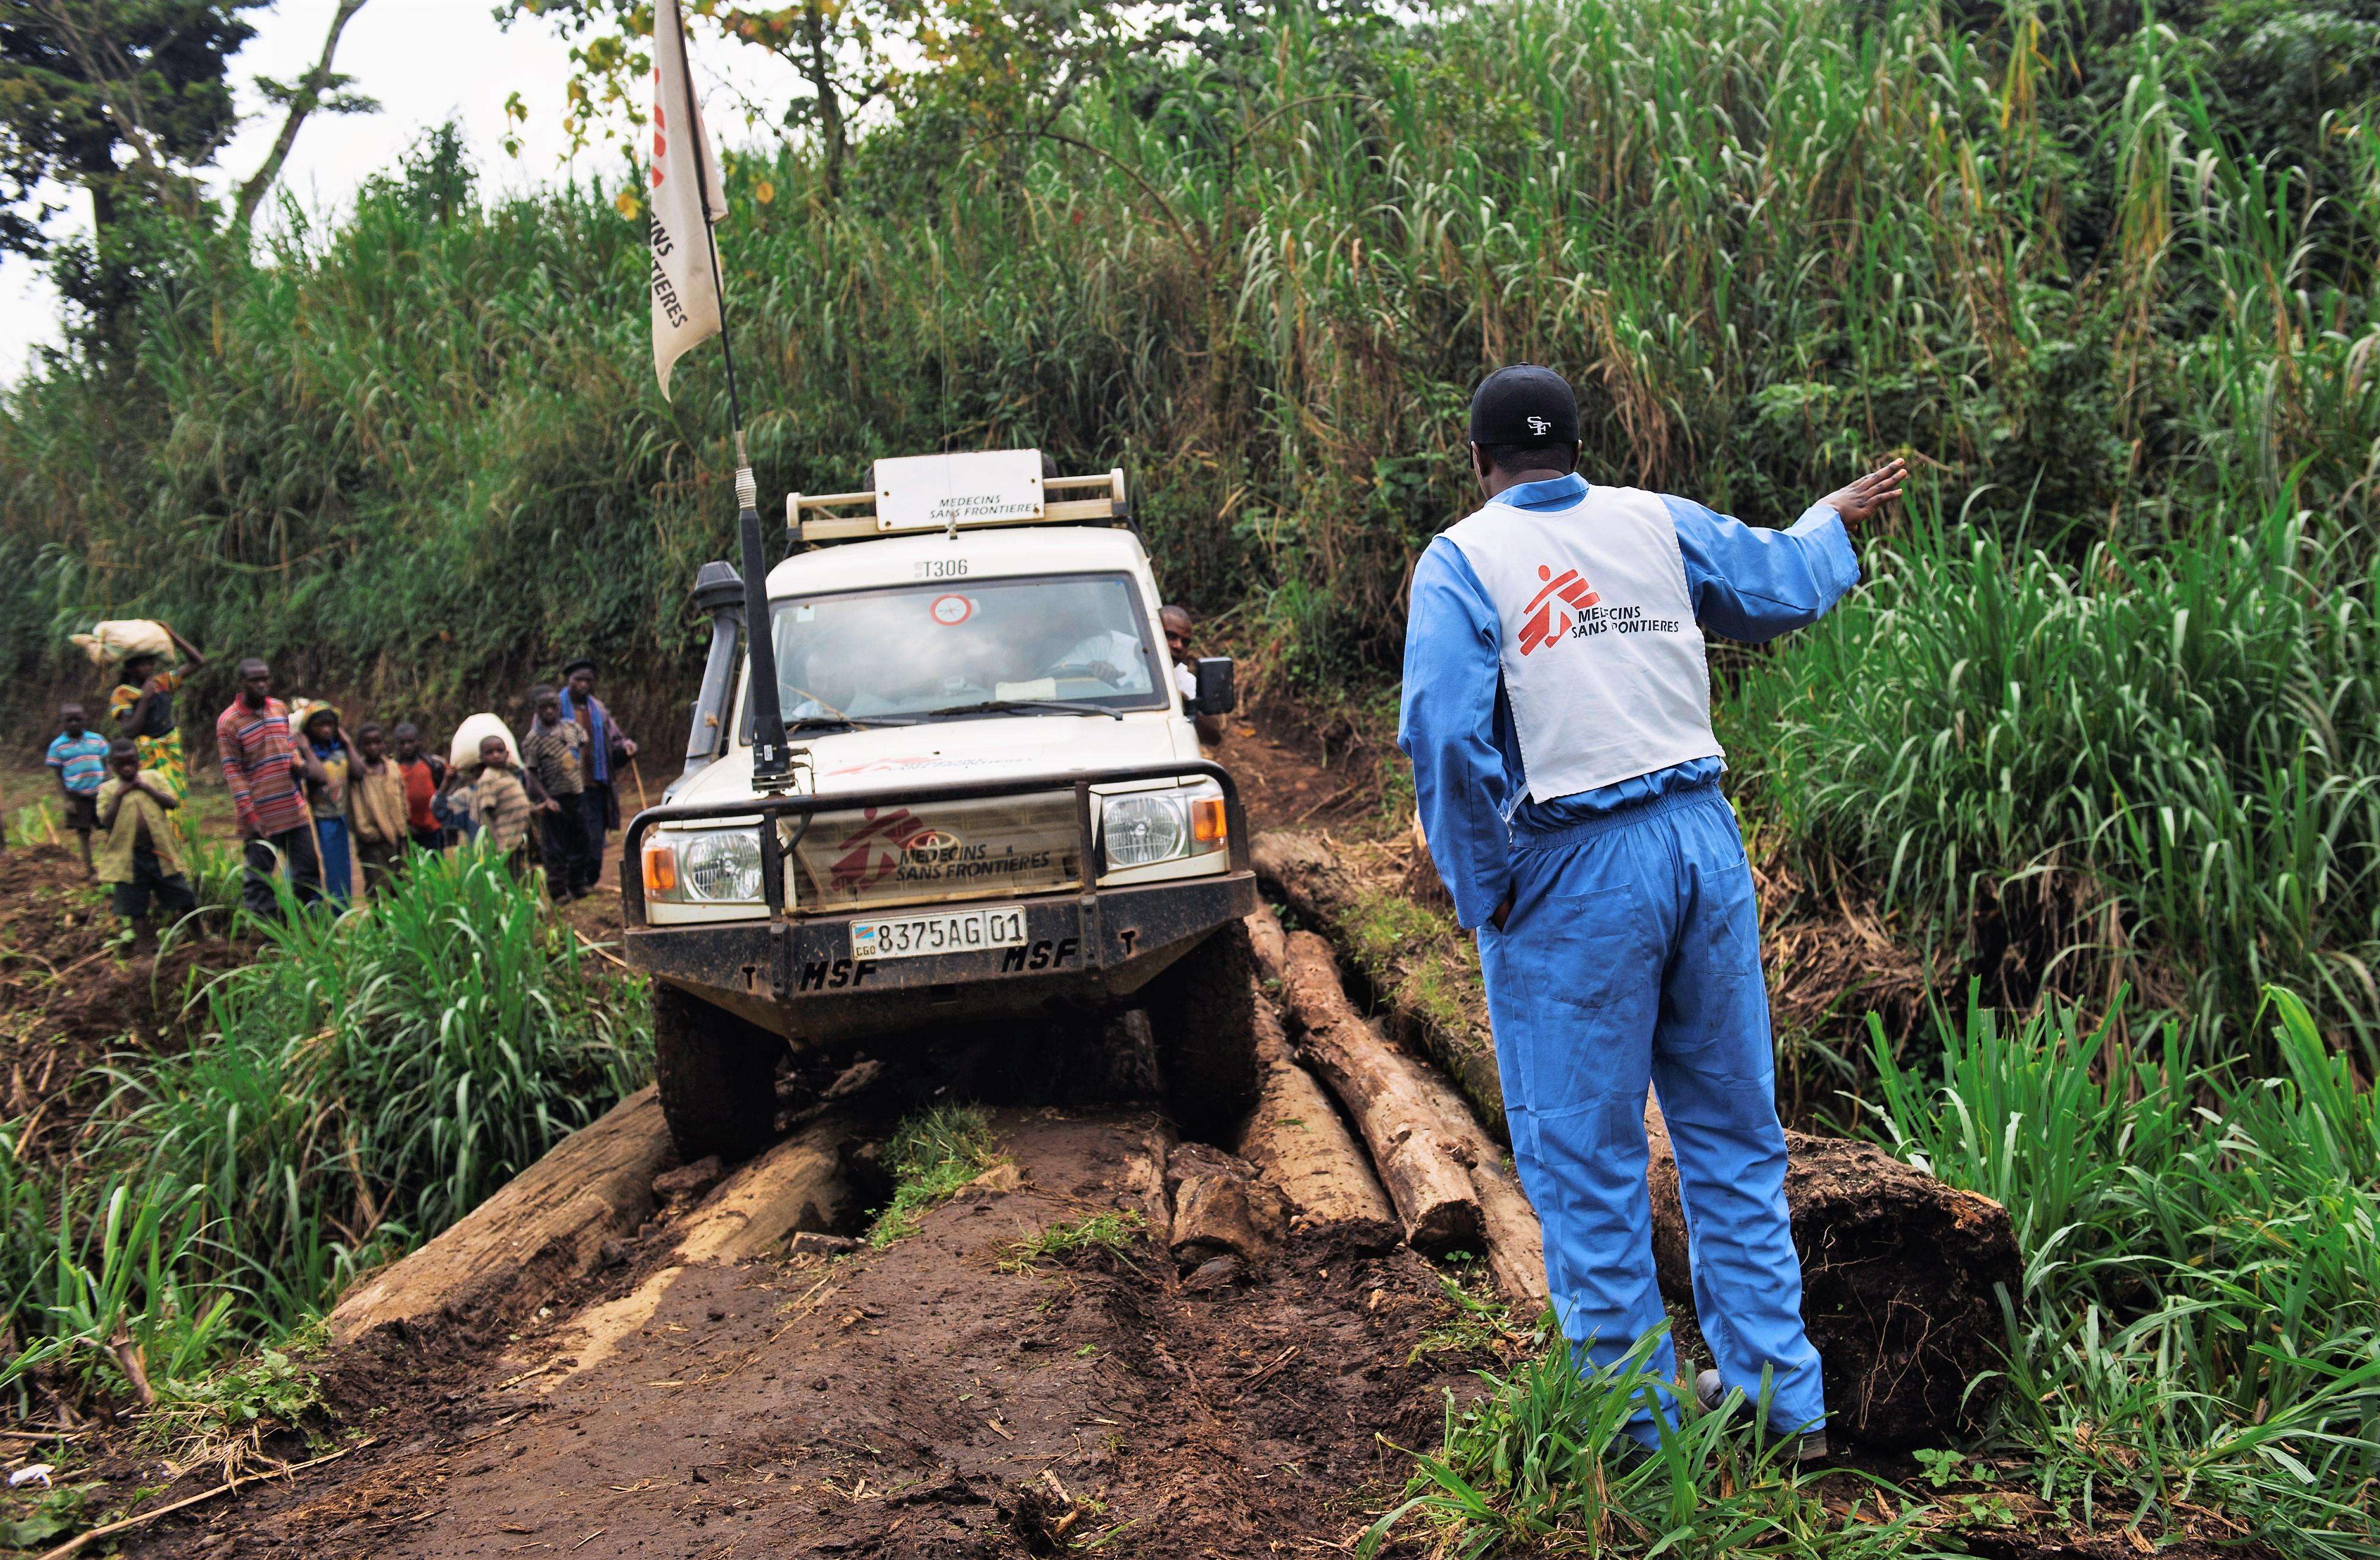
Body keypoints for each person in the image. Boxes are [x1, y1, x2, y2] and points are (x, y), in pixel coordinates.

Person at [1398, 363, 1906, 1461]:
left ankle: (1634, 1431)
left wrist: (1485, 884)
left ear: (1477, 458)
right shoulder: (1650, 522)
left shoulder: (1463, 560)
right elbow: (1777, 585)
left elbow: (1443, 734)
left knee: (1585, 1155)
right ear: (1577, 447)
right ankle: (1783, 1405)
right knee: (1730, 1135)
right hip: (1701, 843)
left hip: (1576, 869)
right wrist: (1827, 524)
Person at [216, 659, 324, 917]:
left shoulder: (278, 708)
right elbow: (234, 772)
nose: (262, 684)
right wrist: (251, 816)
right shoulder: (229, 722)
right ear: (242, 684)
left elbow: (287, 744)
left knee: (308, 870)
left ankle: (304, 925)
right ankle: (266, 933)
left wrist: (297, 763)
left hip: (291, 806)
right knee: (259, 878)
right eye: (255, 680)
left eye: (265, 679)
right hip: (260, 813)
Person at [93, 741, 197, 931]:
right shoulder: (107, 790)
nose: (127, 768)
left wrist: (146, 788)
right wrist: (119, 795)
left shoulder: (154, 778)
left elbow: (171, 803)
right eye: (120, 764)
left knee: (183, 894)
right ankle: (144, 949)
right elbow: (105, 822)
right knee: (135, 905)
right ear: (111, 766)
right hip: (130, 856)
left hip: (160, 851)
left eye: (131, 762)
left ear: (139, 761)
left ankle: (200, 937)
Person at [556, 659, 635, 890]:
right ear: (568, 681)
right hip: (566, 786)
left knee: (595, 836)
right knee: (571, 835)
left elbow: (616, 738)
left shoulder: (598, 709)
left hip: (595, 784)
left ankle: (589, 880)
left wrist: (628, 746)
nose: (583, 684)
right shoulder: (555, 708)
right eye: (578, 680)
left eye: (588, 680)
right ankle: (570, 883)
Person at [107, 624, 205, 802]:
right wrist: (145, 698)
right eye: (143, 664)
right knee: (150, 798)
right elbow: (129, 731)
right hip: (145, 754)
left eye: (151, 663)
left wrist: (173, 635)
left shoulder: (162, 682)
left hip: (169, 748)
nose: (149, 668)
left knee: (174, 796)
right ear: (129, 668)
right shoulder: (122, 694)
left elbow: (198, 661)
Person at [520, 685, 594, 900]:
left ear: (559, 706)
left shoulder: (572, 727)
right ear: (537, 710)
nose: (550, 711)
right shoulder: (533, 739)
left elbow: (583, 745)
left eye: (554, 707)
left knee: (581, 839)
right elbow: (531, 774)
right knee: (555, 847)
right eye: (545, 708)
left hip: (577, 794)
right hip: (554, 799)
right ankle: (558, 891)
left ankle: (578, 884)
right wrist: (545, 798)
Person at [299, 705, 359, 904]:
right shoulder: (303, 755)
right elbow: (320, 777)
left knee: (339, 868)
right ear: (309, 729)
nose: (326, 729)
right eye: (320, 725)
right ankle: (315, 914)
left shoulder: (340, 750)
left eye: (330, 725)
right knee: (314, 868)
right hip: (316, 822)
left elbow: (359, 772)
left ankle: (340, 911)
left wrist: (349, 744)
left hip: (338, 820)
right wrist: (307, 749)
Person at [45, 703, 109, 878]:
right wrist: (67, 801)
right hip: (77, 796)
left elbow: (106, 765)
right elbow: (58, 777)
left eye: (78, 720)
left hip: (100, 793)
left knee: (111, 828)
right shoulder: (58, 746)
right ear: (62, 723)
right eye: (69, 720)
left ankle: (112, 867)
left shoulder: (97, 740)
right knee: (84, 833)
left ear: (85, 720)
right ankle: (90, 870)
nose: (74, 724)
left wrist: (109, 786)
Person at [469, 734, 547, 873]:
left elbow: (514, 804)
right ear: (481, 758)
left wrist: (534, 810)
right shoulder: (488, 779)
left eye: (500, 751)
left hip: (519, 838)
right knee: (510, 876)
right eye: (490, 753)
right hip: (505, 840)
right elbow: (486, 813)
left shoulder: (509, 775)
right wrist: (496, 843)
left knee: (521, 874)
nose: (496, 755)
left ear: (507, 754)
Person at [350, 722, 410, 893]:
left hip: (399, 837)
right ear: (360, 747)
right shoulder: (359, 774)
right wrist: (369, 833)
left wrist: (404, 826)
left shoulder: (392, 768)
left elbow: (402, 798)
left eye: (377, 743)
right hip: (374, 843)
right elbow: (357, 810)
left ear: (384, 744)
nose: (373, 748)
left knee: (404, 884)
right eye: (367, 744)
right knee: (379, 887)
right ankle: (379, 921)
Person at [1160, 605, 1226, 747]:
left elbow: (1215, 736)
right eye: (1171, 636)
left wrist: (1186, 704)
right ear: (1153, 632)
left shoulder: (1186, 682)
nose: (1179, 646)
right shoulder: (1117, 655)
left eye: (1185, 642)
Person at [391, 723, 450, 853]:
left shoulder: (432, 764)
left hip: (434, 827)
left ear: (418, 741)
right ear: (397, 745)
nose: (407, 746)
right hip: (411, 830)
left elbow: (448, 785)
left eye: (411, 742)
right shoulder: (394, 770)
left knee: (436, 865)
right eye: (402, 743)